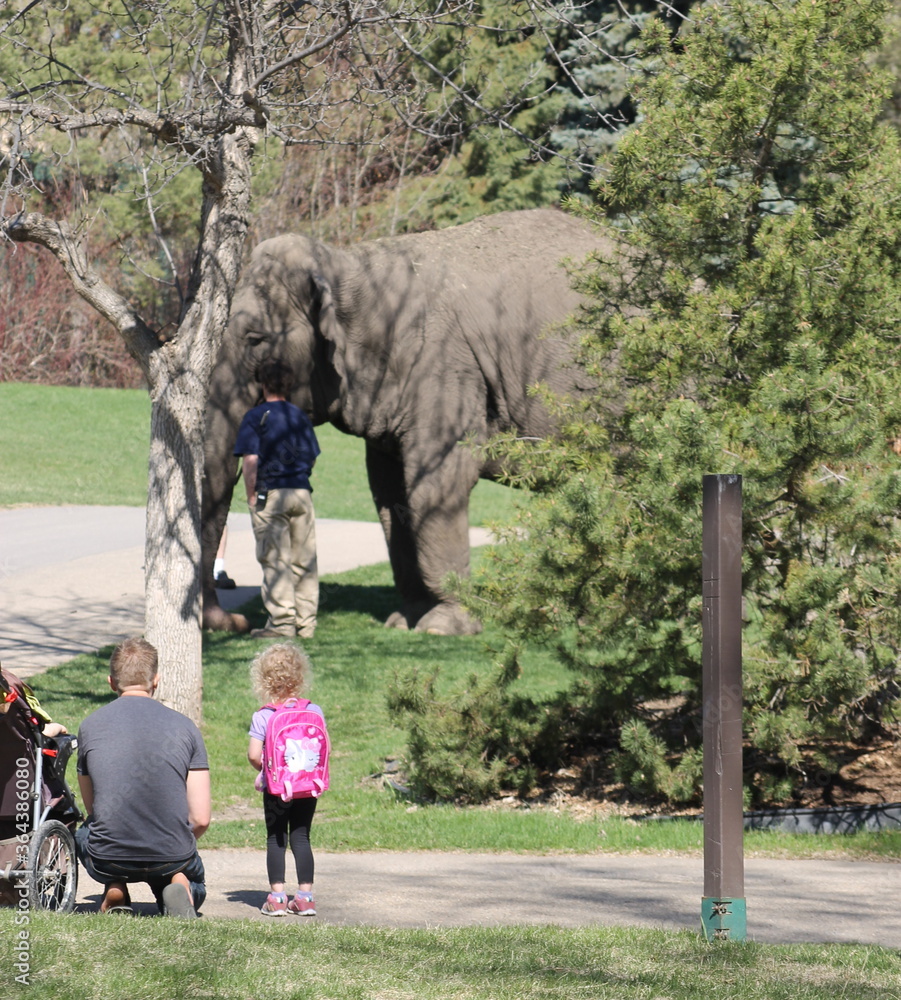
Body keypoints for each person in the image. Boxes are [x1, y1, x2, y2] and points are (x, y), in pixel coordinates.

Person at [75, 637, 211, 918]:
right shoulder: (186, 728)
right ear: (156, 680)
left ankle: (115, 886)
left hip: (109, 854)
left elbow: (93, 809)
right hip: (169, 852)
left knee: (82, 834)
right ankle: (181, 883)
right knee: (185, 868)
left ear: (111, 682)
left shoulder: (89, 726)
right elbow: (201, 818)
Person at [234, 358, 320, 639]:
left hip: (270, 494)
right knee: (304, 559)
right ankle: (306, 624)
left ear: (263, 384)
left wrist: (251, 496)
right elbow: (313, 455)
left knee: (275, 558)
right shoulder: (300, 417)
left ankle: (282, 623)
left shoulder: (257, 416)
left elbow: (251, 460)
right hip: (302, 493)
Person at [247, 642, 323, 916]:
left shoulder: (264, 715)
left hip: (278, 788)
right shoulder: (314, 712)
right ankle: (305, 898)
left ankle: (277, 898)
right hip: (308, 786)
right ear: (301, 676)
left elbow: (254, 755)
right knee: (302, 837)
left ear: (263, 679)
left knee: (276, 838)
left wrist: (267, 767)